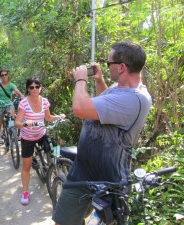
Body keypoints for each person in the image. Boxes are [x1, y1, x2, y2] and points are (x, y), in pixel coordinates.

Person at [52, 41, 152, 225]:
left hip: (109, 180)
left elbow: (80, 109)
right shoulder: (120, 87)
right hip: (82, 172)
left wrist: (81, 79)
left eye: (108, 63)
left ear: (122, 67)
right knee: (63, 222)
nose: (106, 67)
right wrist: (99, 80)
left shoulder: (136, 98)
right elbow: (108, 103)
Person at [14, 77, 65, 205]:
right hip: (28, 138)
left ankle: (51, 170)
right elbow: (17, 123)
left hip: (41, 133)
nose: (35, 89)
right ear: (28, 89)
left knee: (53, 150)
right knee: (26, 165)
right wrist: (25, 123)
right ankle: (25, 192)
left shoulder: (45, 102)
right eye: (31, 87)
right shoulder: (24, 103)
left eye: (37, 86)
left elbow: (48, 117)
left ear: (40, 88)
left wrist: (58, 117)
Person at [0, 69, 24, 156]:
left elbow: (17, 92)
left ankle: (12, 132)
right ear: (0, 77)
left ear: (8, 75)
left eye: (5, 74)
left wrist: (22, 96)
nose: (4, 76)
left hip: (9, 105)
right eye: (2, 75)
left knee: (13, 118)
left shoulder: (11, 85)